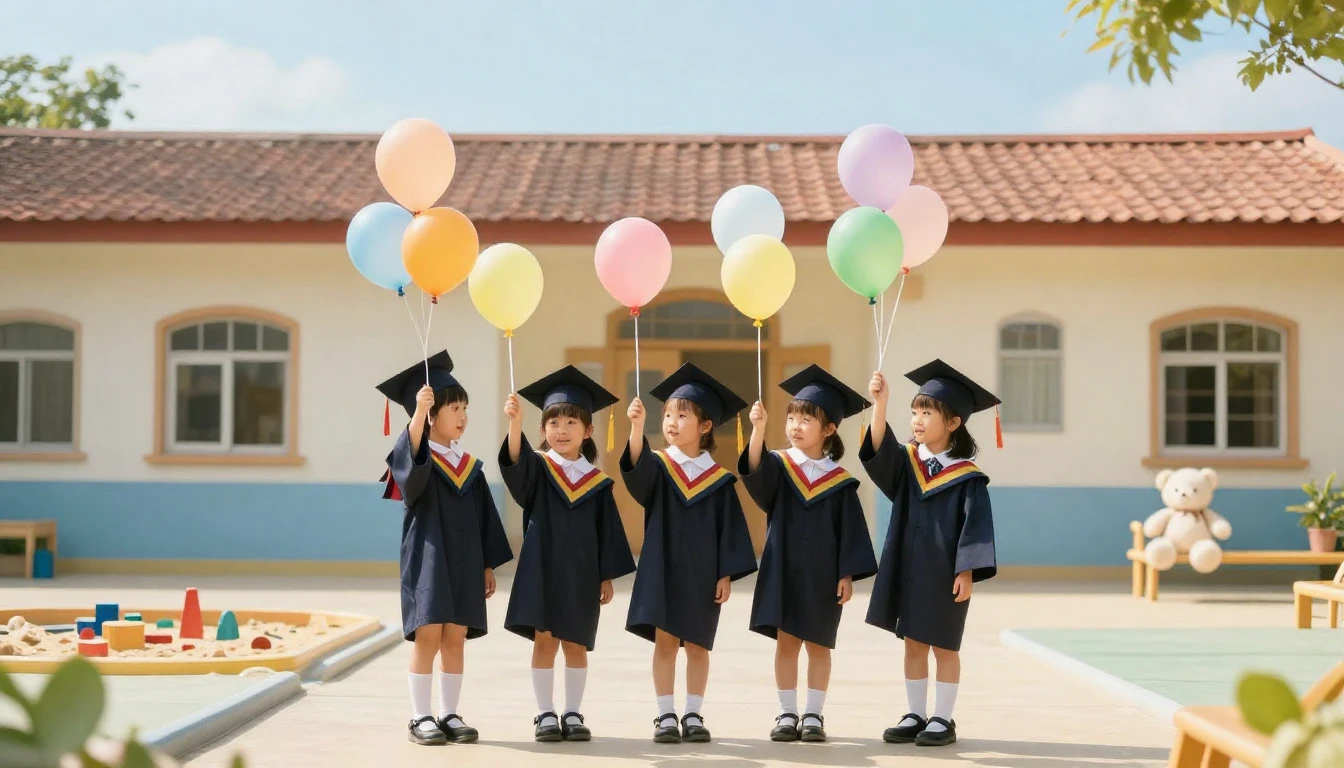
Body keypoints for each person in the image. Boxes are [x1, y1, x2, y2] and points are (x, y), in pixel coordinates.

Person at [376, 350, 514, 745]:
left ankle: (449, 713)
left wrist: (487, 564)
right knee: (429, 634)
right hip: (428, 560)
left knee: (456, 636)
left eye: (465, 408)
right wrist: (418, 414)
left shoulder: (469, 466)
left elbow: (485, 518)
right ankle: (420, 717)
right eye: (455, 407)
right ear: (432, 415)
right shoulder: (418, 458)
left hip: (465, 562)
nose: (463, 416)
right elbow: (411, 466)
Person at [860, 359, 1000, 748]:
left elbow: (976, 529)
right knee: (913, 641)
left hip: (944, 572)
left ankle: (943, 718)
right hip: (908, 566)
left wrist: (967, 570)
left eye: (927, 412)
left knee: (944, 644)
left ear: (953, 422)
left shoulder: (967, 477)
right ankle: (915, 713)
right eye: (915, 411)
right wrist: (881, 405)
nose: (917, 420)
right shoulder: (907, 463)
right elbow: (877, 452)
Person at [739, 364, 878, 743]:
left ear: (829, 429)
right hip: (782, 568)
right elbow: (754, 472)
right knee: (786, 642)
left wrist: (846, 574)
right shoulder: (780, 467)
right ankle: (787, 713)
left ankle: (814, 714)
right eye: (792, 418)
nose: (796, 426)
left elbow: (849, 533)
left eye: (806, 420)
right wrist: (758, 430)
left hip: (822, 574)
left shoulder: (840, 481)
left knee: (819, 644)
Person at [620, 363, 758, 744]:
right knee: (665, 643)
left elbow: (729, 531)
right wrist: (636, 428)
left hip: (702, 572)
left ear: (706, 426)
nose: (672, 422)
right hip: (662, 567)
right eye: (667, 415)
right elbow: (636, 474)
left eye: (682, 415)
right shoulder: (659, 467)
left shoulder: (719, 480)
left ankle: (694, 713)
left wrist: (725, 572)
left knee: (698, 644)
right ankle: (665, 715)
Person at [499, 365, 637, 742]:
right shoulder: (539, 469)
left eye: (572, 422)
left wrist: (605, 574)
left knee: (576, 642)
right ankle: (545, 713)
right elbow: (515, 465)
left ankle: (573, 713)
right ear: (542, 431)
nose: (562, 429)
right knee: (545, 639)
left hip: (581, 572)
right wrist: (516, 424)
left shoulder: (597, 483)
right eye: (553, 422)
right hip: (541, 568)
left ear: (588, 431)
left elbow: (606, 532)